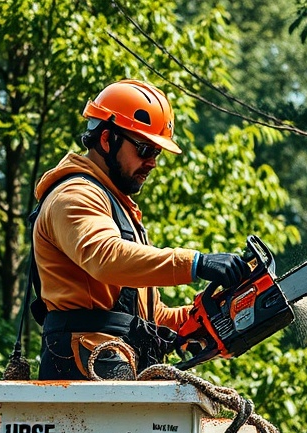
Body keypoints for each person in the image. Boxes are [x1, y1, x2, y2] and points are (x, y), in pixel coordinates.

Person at [32, 79, 249, 380]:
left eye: (156, 153)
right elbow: (105, 258)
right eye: (145, 149)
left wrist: (200, 319)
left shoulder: (118, 207)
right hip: (85, 364)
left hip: (116, 358)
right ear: (107, 140)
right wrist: (195, 263)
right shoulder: (76, 195)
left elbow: (147, 314)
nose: (152, 163)